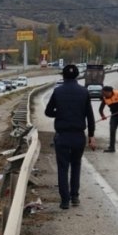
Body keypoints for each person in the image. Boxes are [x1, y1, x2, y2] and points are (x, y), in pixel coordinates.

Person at [44, 64, 96, 209]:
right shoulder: (84, 92)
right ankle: (75, 197)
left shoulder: (58, 91)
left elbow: (48, 112)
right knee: (76, 166)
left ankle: (65, 200)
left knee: (62, 168)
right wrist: (91, 136)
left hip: (63, 136)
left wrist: (60, 113)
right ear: (77, 76)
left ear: (63, 76)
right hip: (79, 136)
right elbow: (90, 117)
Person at [98, 85, 118, 152]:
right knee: (112, 130)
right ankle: (112, 148)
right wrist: (102, 116)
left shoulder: (117, 94)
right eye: (103, 93)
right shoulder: (105, 98)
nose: (104, 94)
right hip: (114, 115)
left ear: (110, 92)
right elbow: (100, 109)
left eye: (105, 93)